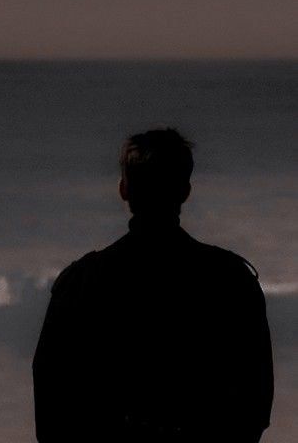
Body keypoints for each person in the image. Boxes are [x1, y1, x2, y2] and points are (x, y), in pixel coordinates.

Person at [33, 128, 274, 442]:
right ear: (185, 191)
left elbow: (51, 402)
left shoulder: (79, 282)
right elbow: (254, 400)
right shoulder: (231, 279)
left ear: (124, 189)